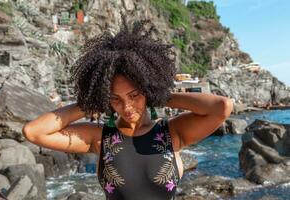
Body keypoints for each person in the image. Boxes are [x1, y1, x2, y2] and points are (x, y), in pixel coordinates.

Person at [22, 18, 233, 200]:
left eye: (134, 95)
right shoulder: (99, 138)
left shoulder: (172, 134)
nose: (127, 106)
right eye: (115, 99)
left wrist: (158, 94)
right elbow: (33, 131)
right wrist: (91, 101)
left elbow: (222, 107)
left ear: (146, 88)